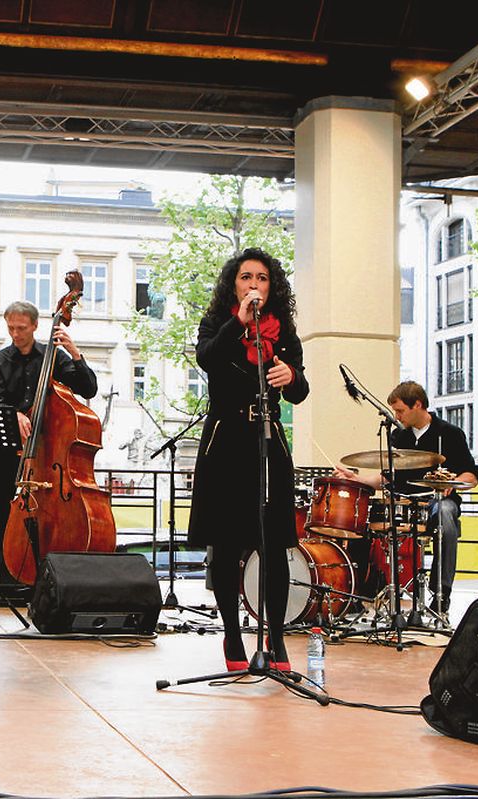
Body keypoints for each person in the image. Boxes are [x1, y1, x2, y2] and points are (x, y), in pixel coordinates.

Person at [187, 247, 309, 670]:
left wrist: (291, 376)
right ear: (233, 285)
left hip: (266, 439)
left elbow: (300, 390)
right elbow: (208, 359)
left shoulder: (283, 330)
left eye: (261, 278)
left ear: (271, 286)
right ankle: (233, 637)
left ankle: (275, 637)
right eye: (245, 277)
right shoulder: (216, 323)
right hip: (226, 443)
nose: (254, 284)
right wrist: (237, 323)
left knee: (273, 545)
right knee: (226, 544)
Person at [0, 300, 98, 619]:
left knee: (51, 520)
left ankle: (46, 590)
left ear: (34, 326)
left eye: (21, 328)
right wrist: (13, 415)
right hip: (10, 452)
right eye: (11, 328)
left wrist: (76, 353)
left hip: (51, 455)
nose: (15, 334)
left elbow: (89, 389)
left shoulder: (53, 357)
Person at [337, 381, 478, 615]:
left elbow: (472, 475)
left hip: (436, 501)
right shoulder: (398, 436)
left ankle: (441, 594)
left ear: (418, 405)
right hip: (402, 501)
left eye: (400, 411)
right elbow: (386, 477)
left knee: (445, 515)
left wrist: (452, 483)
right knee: (359, 516)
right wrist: (355, 479)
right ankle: (359, 592)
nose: (397, 416)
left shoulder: (451, 434)